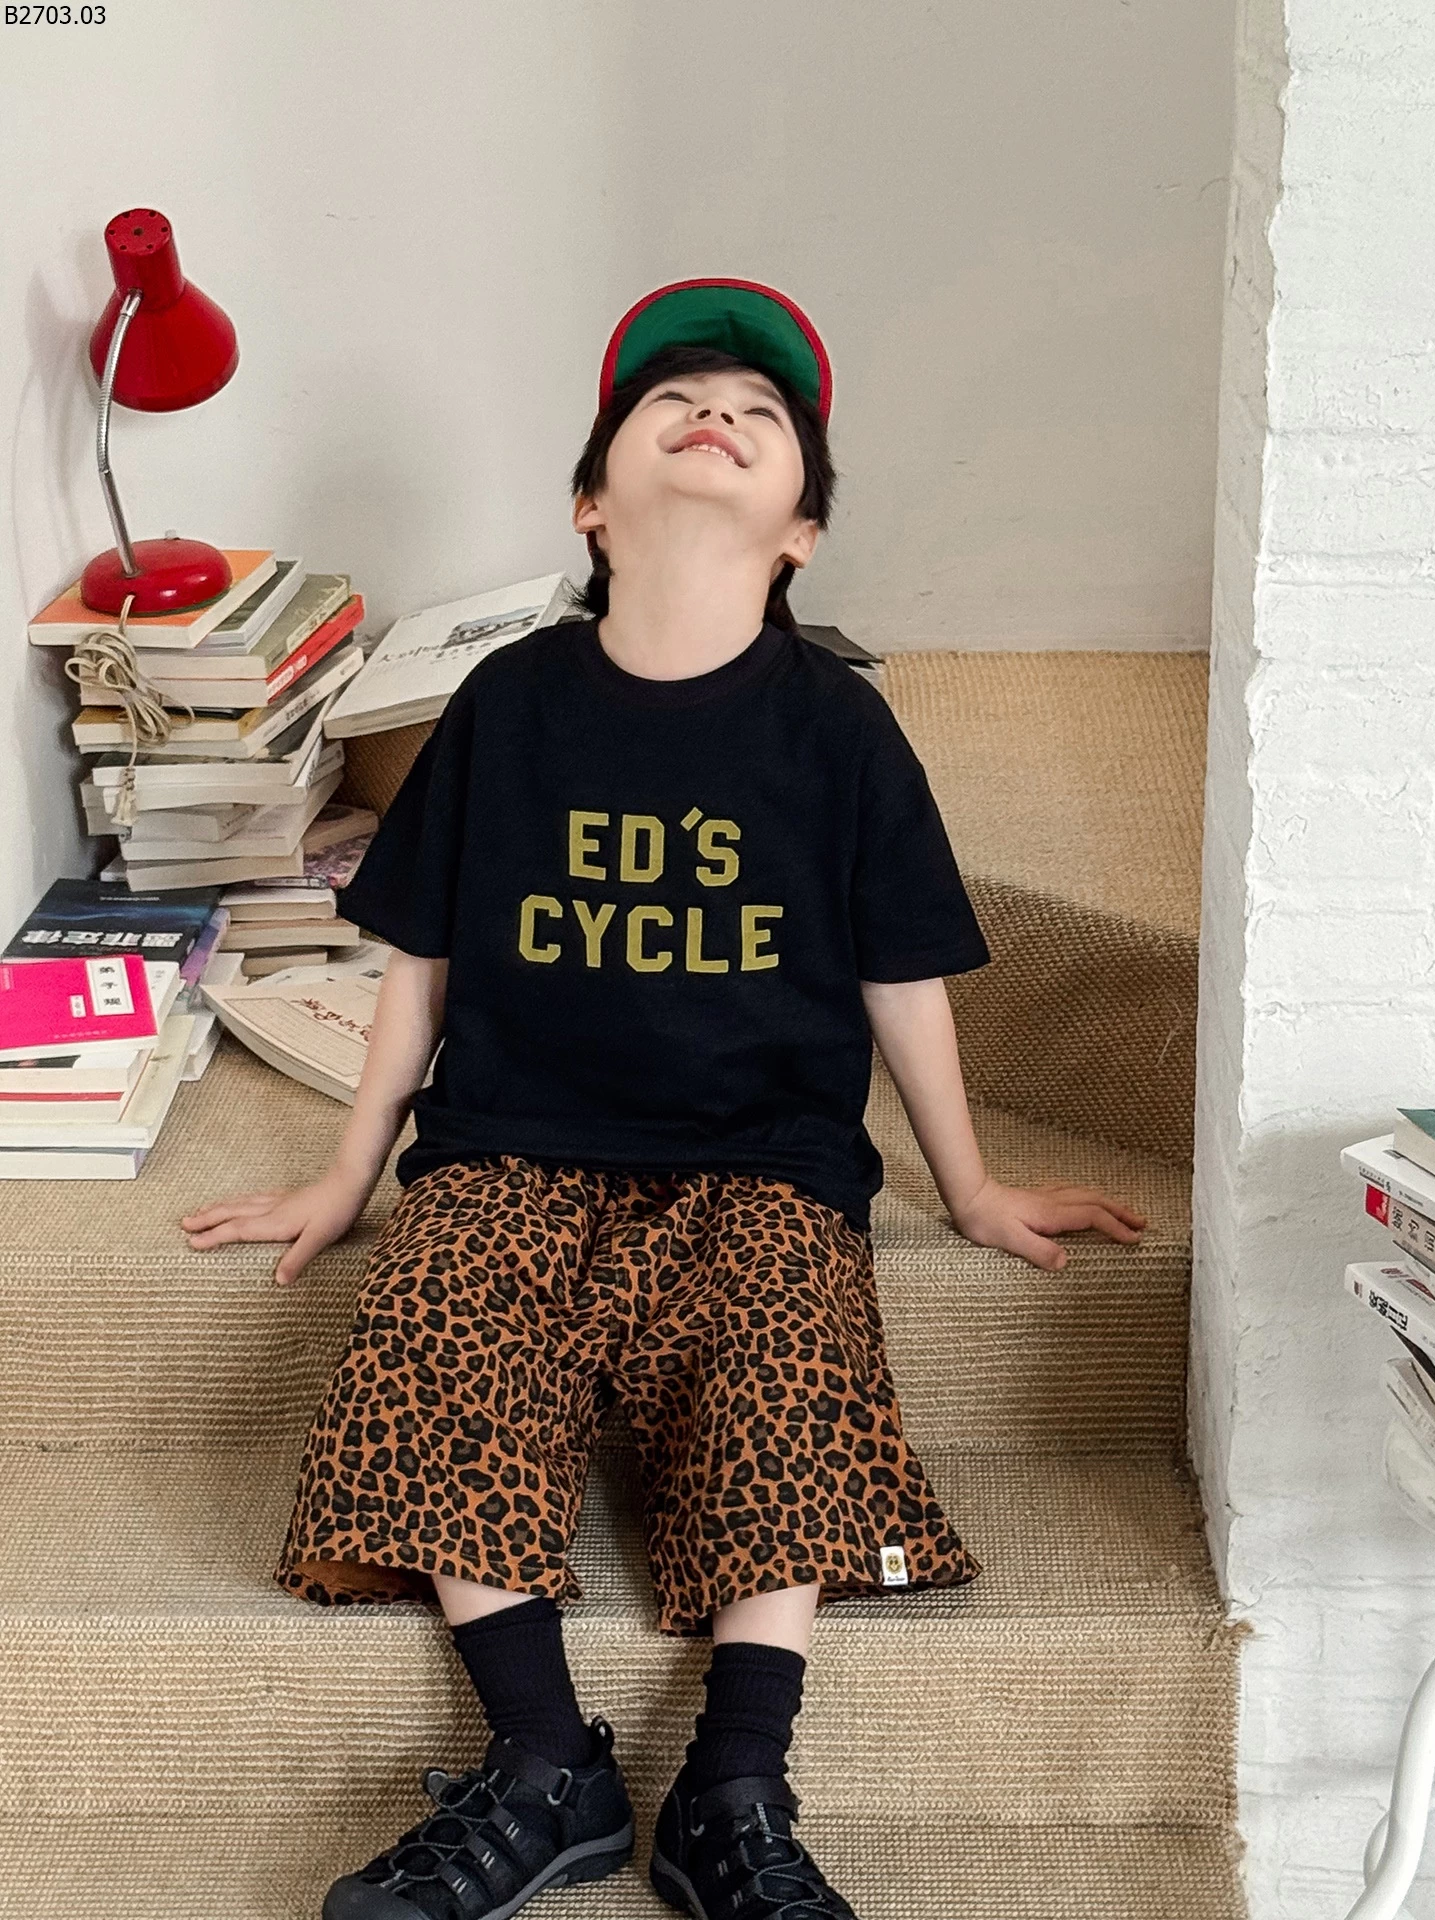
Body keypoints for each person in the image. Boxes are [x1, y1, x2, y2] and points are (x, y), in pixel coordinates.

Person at [180, 276, 1147, 1920]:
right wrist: (350, 1175)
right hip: (512, 1149)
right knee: (439, 1333)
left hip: (760, 1164)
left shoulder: (839, 731)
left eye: (761, 417)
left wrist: (972, 1186)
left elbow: (900, 976)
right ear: (591, 505)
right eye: (674, 405)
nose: (716, 416)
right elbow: (420, 959)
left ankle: (735, 1787)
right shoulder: (511, 705)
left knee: (793, 1356)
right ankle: (543, 1764)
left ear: (802, 532)